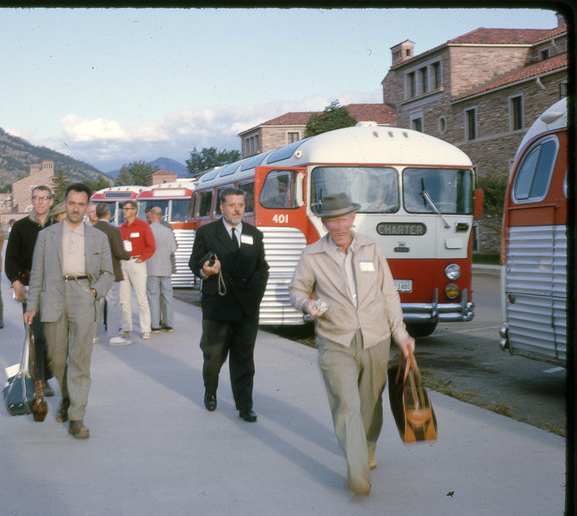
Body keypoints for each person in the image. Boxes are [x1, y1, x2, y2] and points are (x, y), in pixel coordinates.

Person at [288, 192, 415, 496]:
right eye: (333, 219)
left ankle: (368, 448)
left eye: (345, 218)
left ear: (353, 218)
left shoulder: (371, 247)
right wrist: (307, 305)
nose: (340, 225)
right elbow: (297, 291)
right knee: (348, 404)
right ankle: (357, 473)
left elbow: (388, 294)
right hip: (335, 340)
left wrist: (401, 334)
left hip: (375, 338)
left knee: (370, 403)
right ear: (324, 221)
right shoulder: (312, 255)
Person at [23, 183, 114, 439]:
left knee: (80, 358)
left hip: (83, 293)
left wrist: (95, 291)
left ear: (88, 207)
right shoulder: (47, 235)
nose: (76, 208)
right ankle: (66, 398)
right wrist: (32, 307)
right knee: (56, 358)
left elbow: (109, 272)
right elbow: (37, 274)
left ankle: (77, 416)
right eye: (72, 203)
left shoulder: (99, 237)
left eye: (81, 204)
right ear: (65, 203)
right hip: (53, 297)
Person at [189, 187, 269, 423]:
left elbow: (261, 269)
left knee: (244, 357)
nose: (237, 209)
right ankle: (210, 390)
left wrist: (255, 296)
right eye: (232, 205)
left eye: (241, 205)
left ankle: (245, 405)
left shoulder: (255, 234)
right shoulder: (207, 232)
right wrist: (204, 271)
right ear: (221, 207)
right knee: (213, 356)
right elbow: (194, 263)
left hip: (246, 306)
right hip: (218, 304)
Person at [5, 185, 56, 396]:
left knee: (53, 337)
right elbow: (10, 259)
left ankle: (47, 375)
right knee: (35, 334)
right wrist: (16, 282)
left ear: (51, 201)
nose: (41, 202)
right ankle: (39, 380)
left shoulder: (59, 225)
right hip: (30, 287)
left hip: (55, 288)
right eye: (36, 198)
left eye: (45, 198)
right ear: (32, 201)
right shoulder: (21, 227)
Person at [92, 203, 132, 346]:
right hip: (111, 271)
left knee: (97, 304)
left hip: (95, 274)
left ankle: (93, 335)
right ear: (108, 214)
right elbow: (119, 252)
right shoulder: (113, 230)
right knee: (113, 303)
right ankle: (113, 335)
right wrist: (128, 254)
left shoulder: (91, 230)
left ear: (96, 214)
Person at [118, 200, 155, 340]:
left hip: (137, 262)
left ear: (134, 210)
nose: (124, 211)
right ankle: (126, 327)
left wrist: (142, 258)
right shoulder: (121, 228)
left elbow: (151, 246)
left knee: (141, 298)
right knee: (124, 299)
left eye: (127, 209)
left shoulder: (143, 226)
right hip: (124, 263)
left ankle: (146, 329)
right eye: (123, 208)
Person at [146, 207, 177, 333]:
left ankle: (155, 325)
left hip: (151, 268)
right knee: (167, 296)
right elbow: (173, 249)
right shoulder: (168, 231)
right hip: (166, 268)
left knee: (153, 296)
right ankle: (169, 324)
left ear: (152, 215)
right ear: (161, 216)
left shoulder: (147, 230)